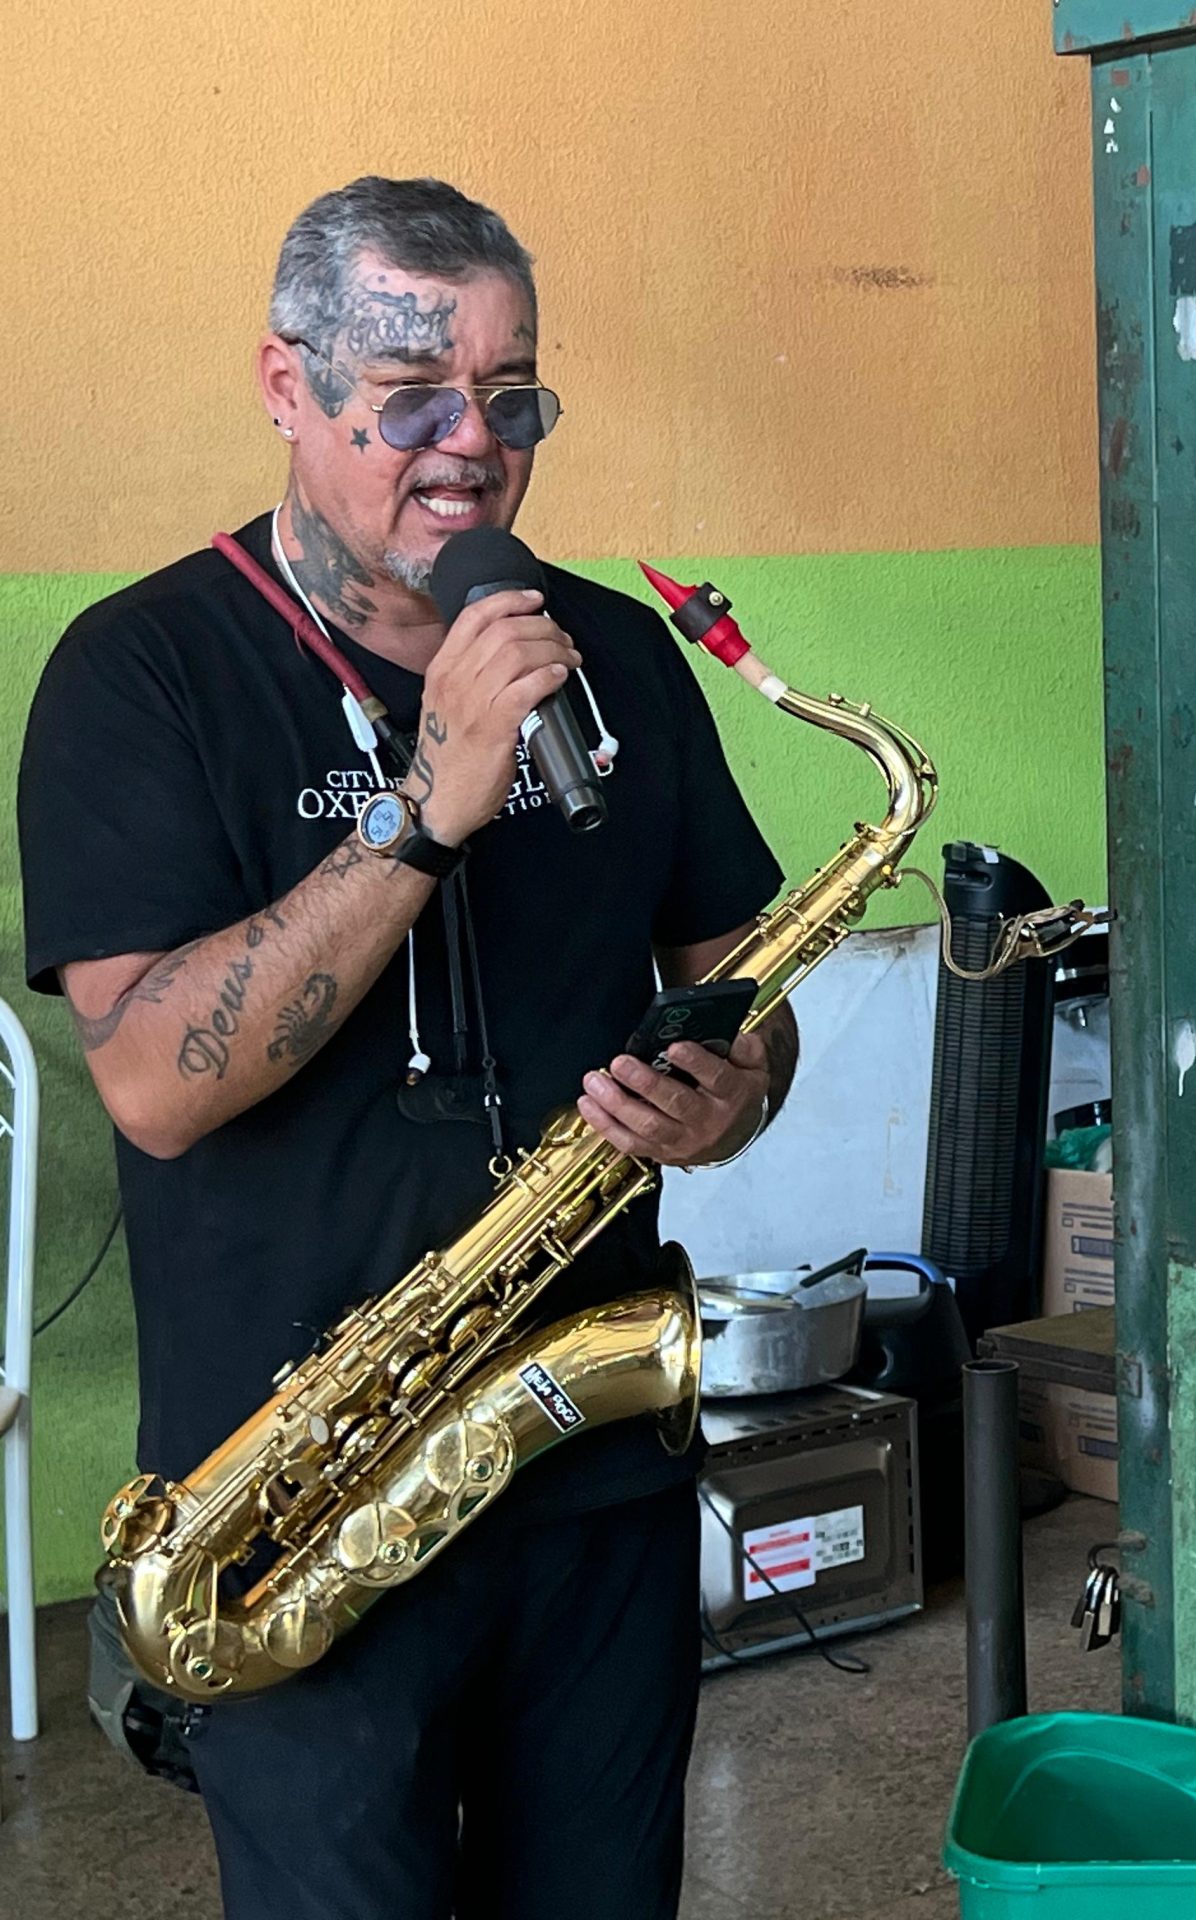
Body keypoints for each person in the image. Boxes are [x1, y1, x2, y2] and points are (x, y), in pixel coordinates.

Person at [18, 177, 793, 1919]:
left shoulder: (616, 658)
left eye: (512, 398)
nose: (472, 449)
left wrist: (733, 1090)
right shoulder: (141, 673)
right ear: (284, 386)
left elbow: (745, 997)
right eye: (413, 397)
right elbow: (149, 1082)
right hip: (302, 1508)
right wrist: (428, 805)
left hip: (588, 1470)